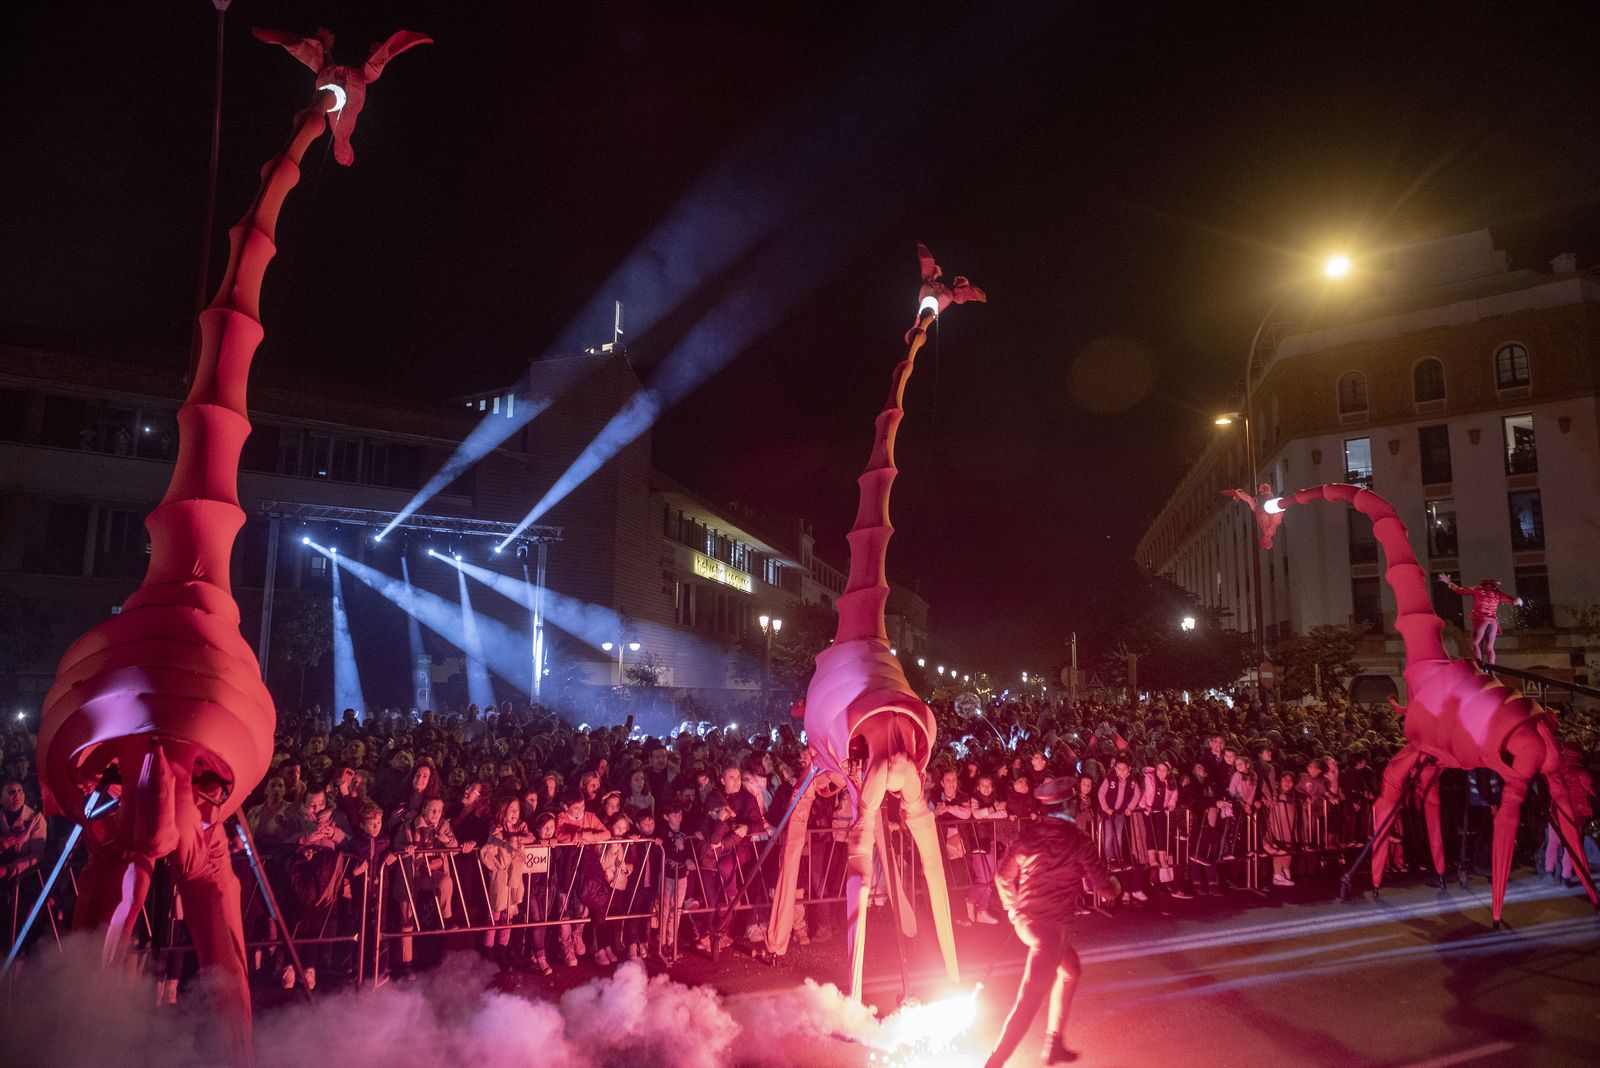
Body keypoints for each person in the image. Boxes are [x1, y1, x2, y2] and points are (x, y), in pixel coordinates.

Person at [985, 776, 1118, 1067]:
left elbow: (1002, 876)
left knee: (1070, 970)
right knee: (1029, 1000)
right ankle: (993, 1063)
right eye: (1072, 802)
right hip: (1052, 930)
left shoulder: (1029, 835)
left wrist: (1012, 909)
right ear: (1067, 806)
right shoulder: (1078, 840)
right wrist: (1115, 886)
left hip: (1028, 923)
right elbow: (1104, 888)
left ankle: (1054, 1043)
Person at [1438, 573, 1521, 664]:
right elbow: (1513, 602)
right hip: (1493, 622)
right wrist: (1517, 601)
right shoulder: (1497, 594)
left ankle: (1479, 664)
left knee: (1475, 644)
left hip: (1481, 620)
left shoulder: (1477, 590)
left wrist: (1449, 583)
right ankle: (1492, 667)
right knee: (1490, 648)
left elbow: (1460, 591)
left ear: (1483, 585)